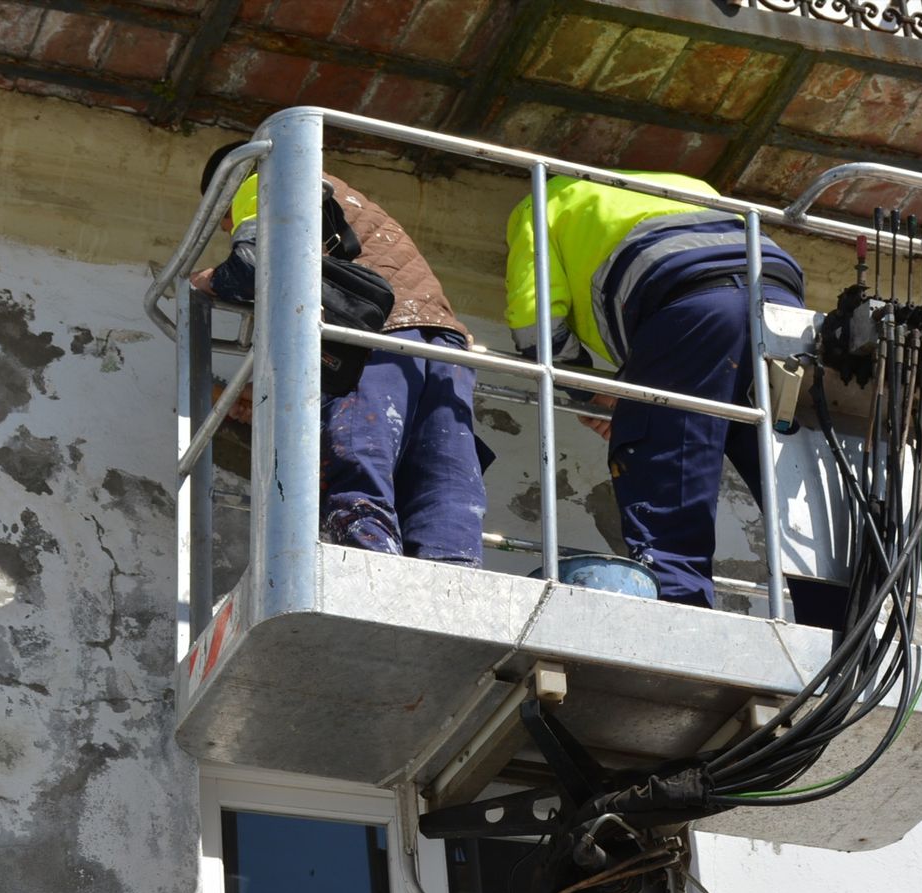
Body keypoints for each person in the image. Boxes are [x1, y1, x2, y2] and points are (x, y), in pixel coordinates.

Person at [504, 173, 805, 609]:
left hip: (690, 304)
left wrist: (593, 395)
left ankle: (681, 609)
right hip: (782, 303)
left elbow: (534, 322)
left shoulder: (542, 199)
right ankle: (846, 619)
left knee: (666, 460)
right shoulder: (690, 184)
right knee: (791, 476)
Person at [192, 142, 490, 567]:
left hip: (372, 337)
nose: (228, 227)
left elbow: (253, 263)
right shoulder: (344, 197)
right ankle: (455, 585)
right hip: (444, 343)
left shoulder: (264, 176)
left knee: (356, 465)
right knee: (442, 483)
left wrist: (210, 281)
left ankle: (372, 577)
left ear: (224, 191)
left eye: (223, 220)